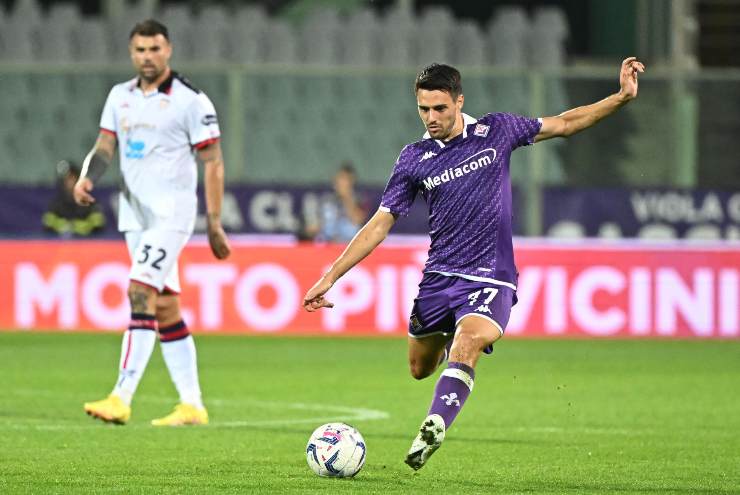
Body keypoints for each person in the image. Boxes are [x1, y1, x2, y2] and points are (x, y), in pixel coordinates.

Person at [303, 58, 644, 469]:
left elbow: (566, 123)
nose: (431, 118)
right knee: (418, 368)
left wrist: (622, 97)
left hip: (491, 275)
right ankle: (450, 347)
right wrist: (330, 276)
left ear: (459, 101)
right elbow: (379, 224)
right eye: (423, 109)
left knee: (468, 343)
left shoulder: (496, 131)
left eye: (440, 109)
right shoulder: (414, 158)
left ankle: (434, 424)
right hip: (438, 279)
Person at [74, 19, 231, 426]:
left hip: (171, 215)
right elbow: (105, 144)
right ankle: (192, 405)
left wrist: (214, 221)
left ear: (169, 50)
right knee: (164, 307)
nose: (148, 56)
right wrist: (89, 176)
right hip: (135, 216)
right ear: (132, 53)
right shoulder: (119, 96)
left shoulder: (191, 101)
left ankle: (121, 396)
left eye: (155, 49)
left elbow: (213, 161)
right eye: (141, 50)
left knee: (139, 291)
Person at [303, 163, 368, 242]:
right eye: (339, 178)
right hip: (327, 244)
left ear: (352, 181)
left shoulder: (360, 199)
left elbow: (358, 221)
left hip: (350, 245)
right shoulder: (327, 200)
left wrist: (347, 198)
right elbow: (318, 225)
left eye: (344, 179)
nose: (340, 182)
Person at [42, 160, 106, 237]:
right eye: (66, 179)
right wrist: (61, 225)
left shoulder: (89, 200)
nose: (69, 182)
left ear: (78, 178)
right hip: (61, 245)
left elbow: (98, 223)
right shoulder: (56, 202)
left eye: (71, 177)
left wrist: (80, 227)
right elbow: (47, 222)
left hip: (87, 244)